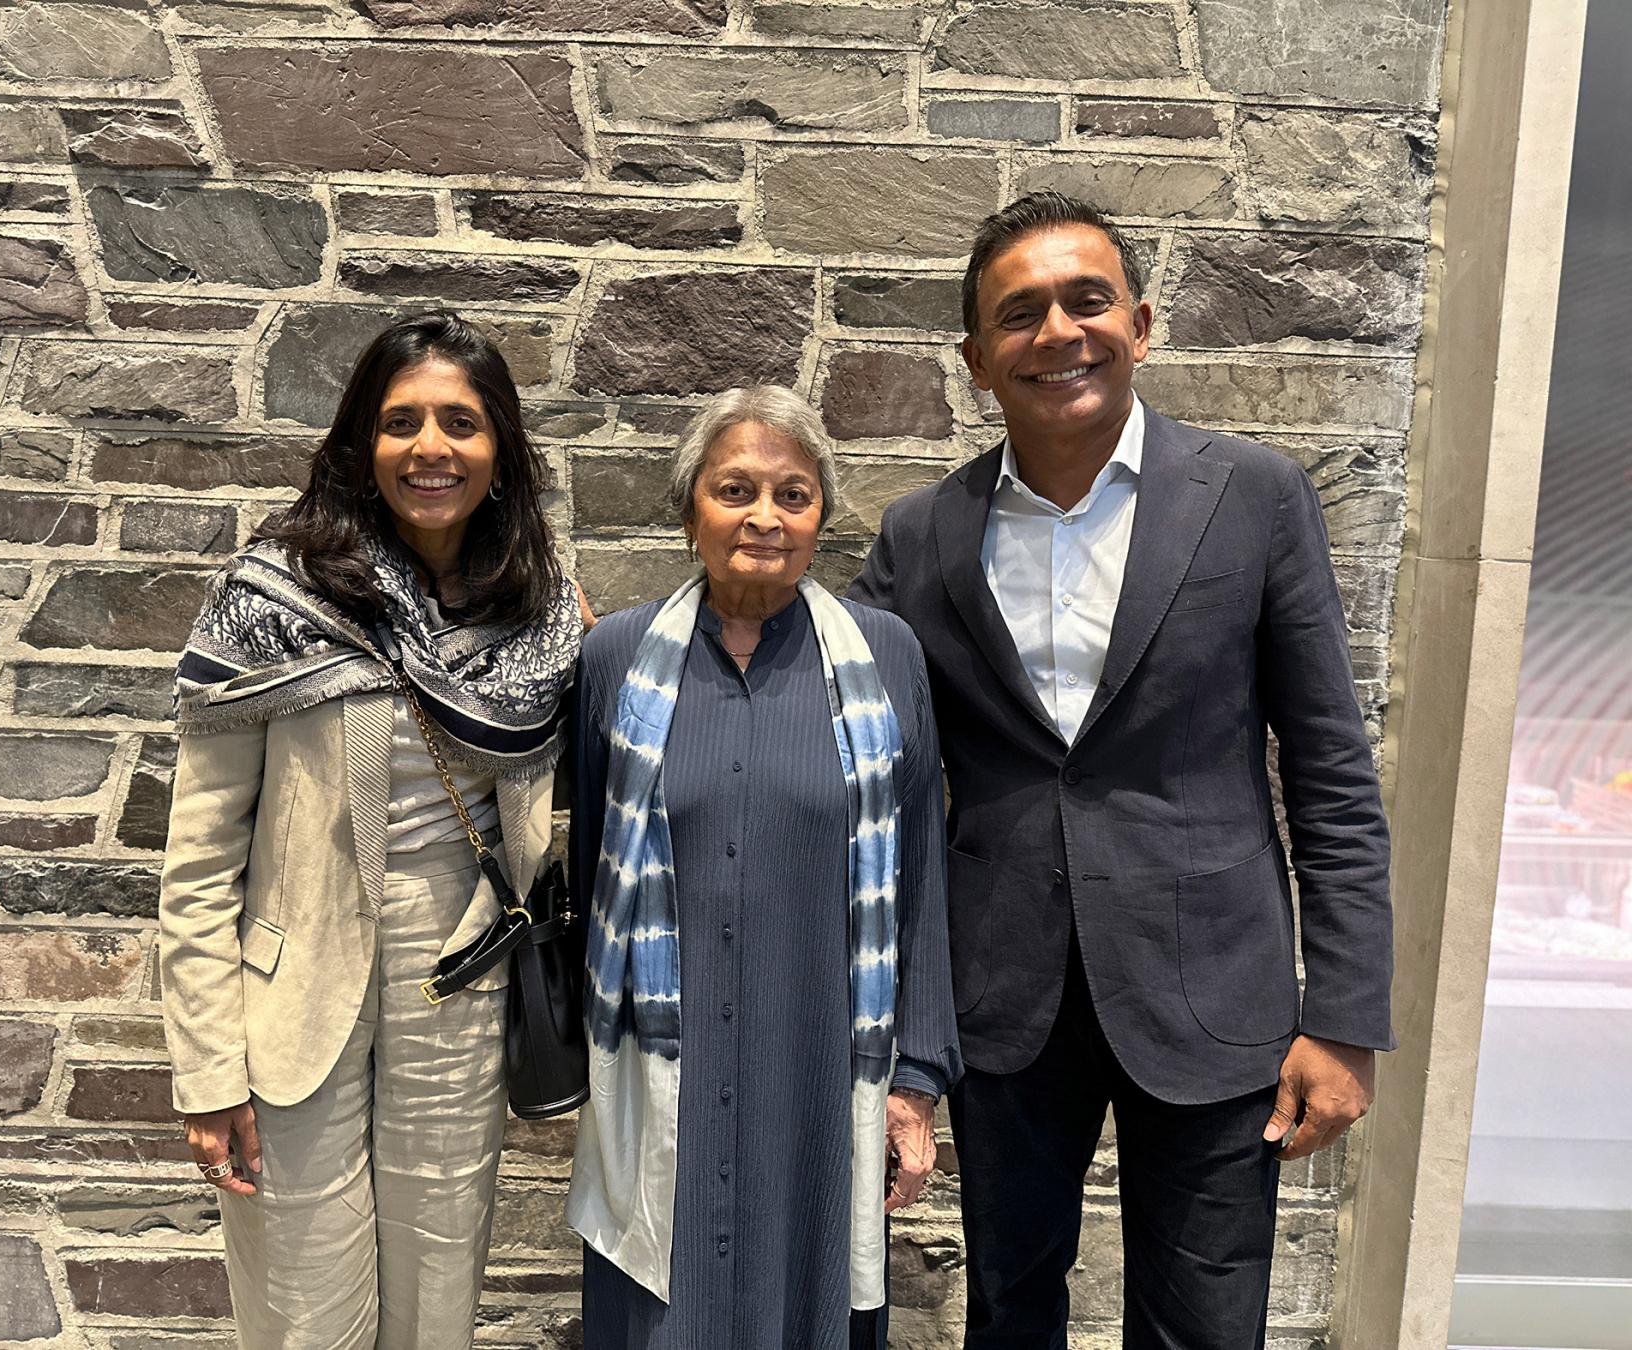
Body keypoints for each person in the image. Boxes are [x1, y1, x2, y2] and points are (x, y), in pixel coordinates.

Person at [849, 193, 1395, 1348]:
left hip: (1216, 990)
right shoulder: (921, 535)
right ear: (976, 360)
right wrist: (651, 650)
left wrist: (1345, 1018)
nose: (1058, 332)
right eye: (1020, 314)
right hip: (1003, 997)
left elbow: (1333, 772)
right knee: (1007, 1310)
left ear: (1140, 324)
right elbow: (833, 711)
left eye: (1087, 301)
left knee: (1204, 1320)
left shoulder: (1252, 497)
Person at [159, 312, 583, 1349]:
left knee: (440, 1298)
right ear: (361, 444)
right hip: (293, 1003)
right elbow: (200, 861)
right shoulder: (273, 598)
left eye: (461, 423)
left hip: (461, 985)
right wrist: (208, 1073)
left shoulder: (543, 613)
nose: (431, 448)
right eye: (401, 422)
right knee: (305, 1310)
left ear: (501, 451)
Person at [565, 386, 962, 1349]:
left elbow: (919, 887)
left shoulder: (886, 656)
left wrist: (913, 1083)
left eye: (793, 494)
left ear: (821, 515)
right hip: (666, 1070)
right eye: (735, 488)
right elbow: (589, 870)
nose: (764, 517)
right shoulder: (618, 655)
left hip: (820, 1072)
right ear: (689, 505)